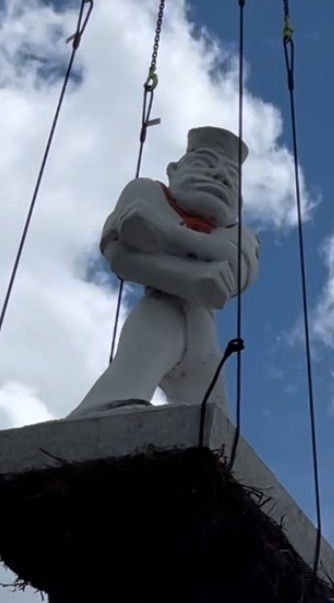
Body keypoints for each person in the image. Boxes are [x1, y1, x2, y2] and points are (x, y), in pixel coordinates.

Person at [67, 127, 261, 422]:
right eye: (203, 164)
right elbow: (119, 255)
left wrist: (167, 235)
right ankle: (101, 413)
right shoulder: (145, 191)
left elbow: (234, 273)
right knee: (116, 399)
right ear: (173, 170)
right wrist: (198, 274)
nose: (220, 178)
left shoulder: (242, 235)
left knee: (215, 429)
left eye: (232, 178)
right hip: (159, 314)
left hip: (203, 335)